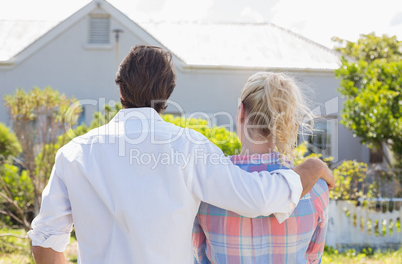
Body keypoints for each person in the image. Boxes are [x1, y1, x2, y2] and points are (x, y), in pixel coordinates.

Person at [27, 45, 334, 264]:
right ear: (168, 95)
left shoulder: (74, 154)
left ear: (120, 91)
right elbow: (261, 199)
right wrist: (312, 167)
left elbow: (44, 242)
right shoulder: (192, 148)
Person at [193, 72, 330, 263]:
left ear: (241, 112)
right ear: (290, 121)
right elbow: (313, 259)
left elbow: (199, 256)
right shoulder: (317, 189)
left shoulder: (207, 184)